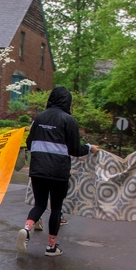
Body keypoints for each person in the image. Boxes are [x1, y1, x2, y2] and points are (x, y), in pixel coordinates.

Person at [17, 86, 98, 257]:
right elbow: (75, 149)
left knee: (39, 204)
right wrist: (90, 148)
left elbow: (30, 143)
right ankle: (51, 247)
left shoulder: (38, 118)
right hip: (58, 172)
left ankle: (27, 228)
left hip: (38, 170)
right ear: (67, 101)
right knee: (56, 208)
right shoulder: (68, 120)